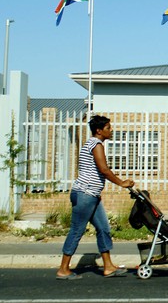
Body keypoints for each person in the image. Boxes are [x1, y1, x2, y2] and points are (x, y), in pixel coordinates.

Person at [56, 115, 135, 280]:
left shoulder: (91, 144)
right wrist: (121, 183)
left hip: (91, 195)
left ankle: (108, 267)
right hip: (85, 193)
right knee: (77, 230)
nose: (110, 130)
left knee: (104, 228)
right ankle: (63, 269)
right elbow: (104, 170)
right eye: (108, 128)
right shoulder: (96, 145)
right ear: (99, 130)